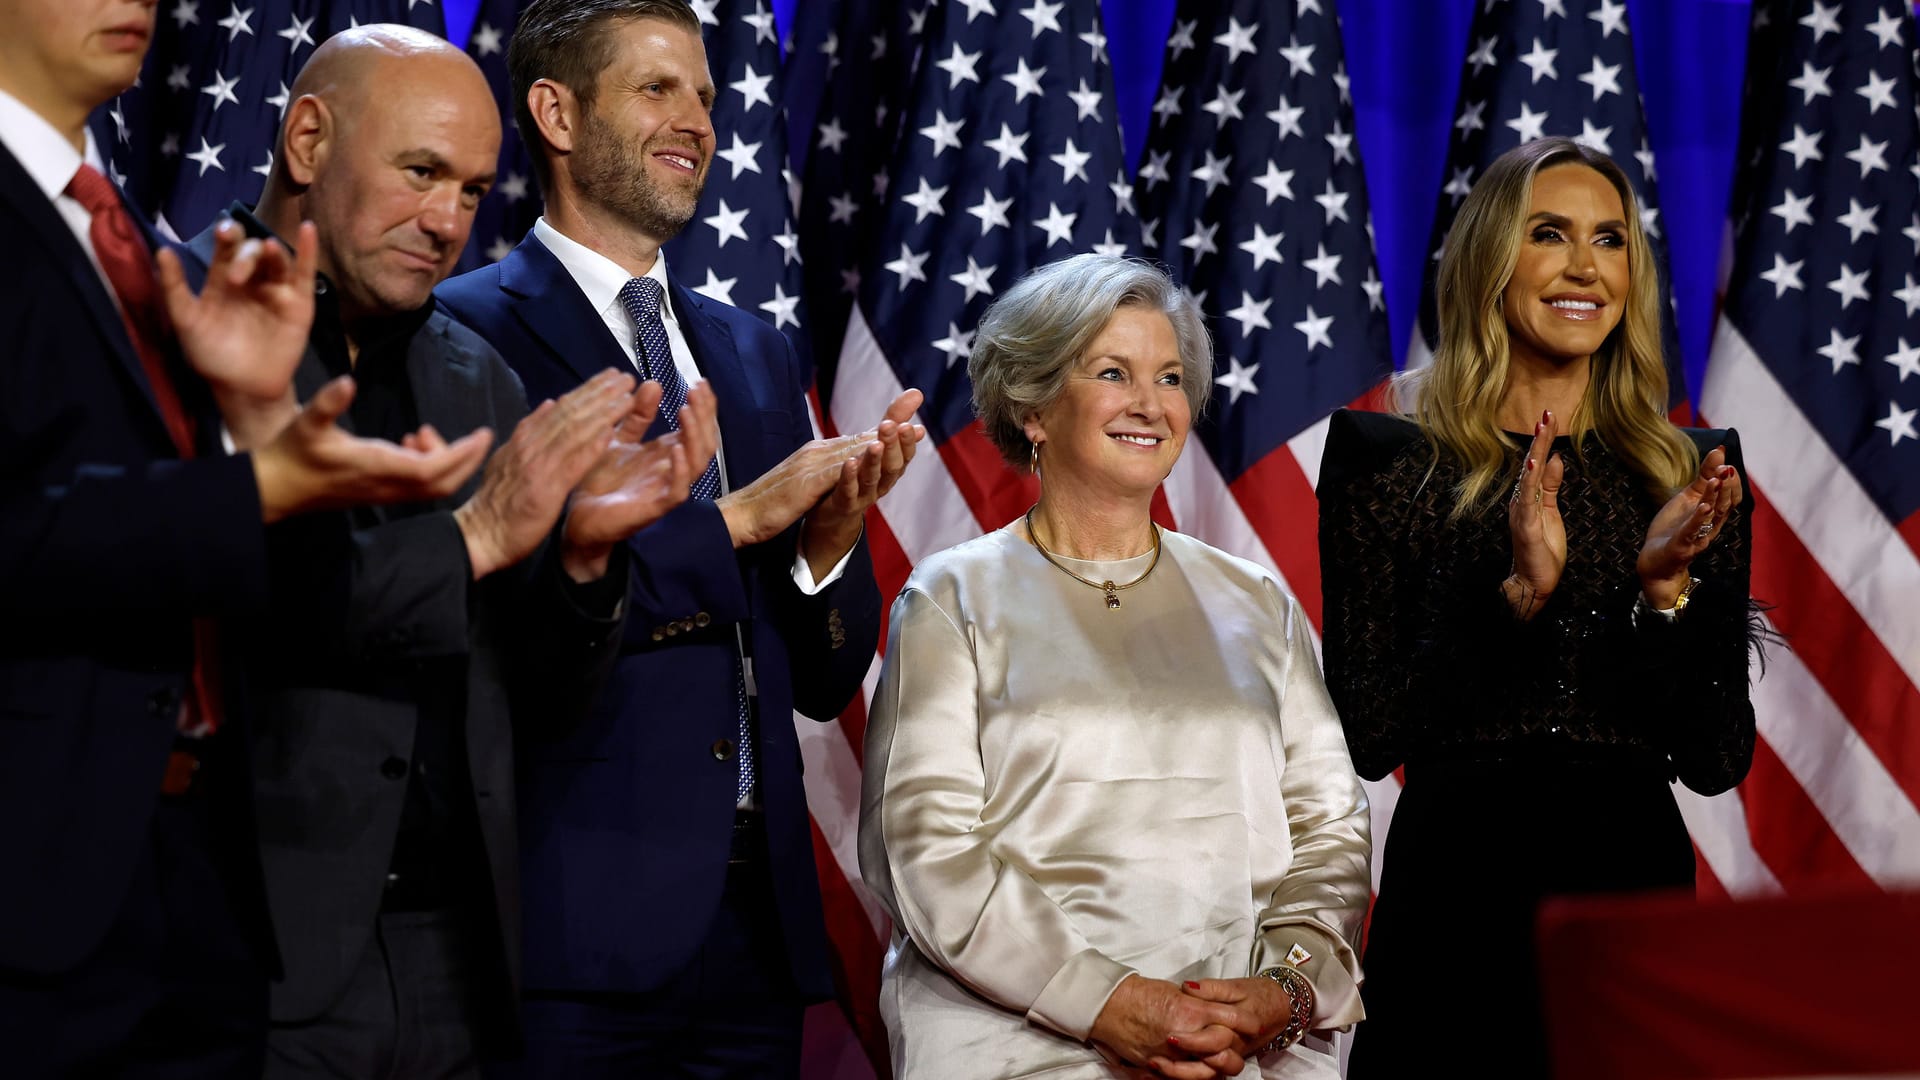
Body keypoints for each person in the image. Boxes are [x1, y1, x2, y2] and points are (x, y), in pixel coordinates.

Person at [177, 27, 718, 1078]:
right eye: (421, 173)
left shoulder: (476, 377)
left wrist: (582, 567)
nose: (446, 223)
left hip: (456, 962)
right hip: (237, 948)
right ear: (306, 138)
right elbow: (254, 613)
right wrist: (474, 537)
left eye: (471, 192)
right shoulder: (176, 329)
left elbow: (536, 703)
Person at [0, 1, 497, 1074]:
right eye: (421, 172)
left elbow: (257, 591)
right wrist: (256, 483)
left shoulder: (120, 236)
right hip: (38, 897)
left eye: (469, 190)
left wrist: (262, 429)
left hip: (188, 903)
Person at [435, 1, 924, 1073]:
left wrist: (828, 546)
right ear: (556, 114)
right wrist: (738, 522)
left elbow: (819, 678)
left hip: (754, 928)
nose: (699, 121)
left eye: (704, 95)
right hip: (570, 928)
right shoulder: (464, 331)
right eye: (658, 89)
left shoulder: (750, 350)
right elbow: (507, 600)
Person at [858, 254, 1372, 1080]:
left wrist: (1285, 988)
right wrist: (1108, 1001)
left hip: (1241, 1054)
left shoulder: (1254, 602)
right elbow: (925, 851)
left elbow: (1331, 830)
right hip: (1018, 1046)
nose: (1150, 403)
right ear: (1033, 406)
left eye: (1170, 377)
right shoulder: (951, 597)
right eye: (1112, 372)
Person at [1317, 138, 1759, 1077]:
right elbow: (1370, 732)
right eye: (1548, 234)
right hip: (1457, 896)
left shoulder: (1689, 469)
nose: (1585, 267)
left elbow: (1717, 760)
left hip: (1630, 898)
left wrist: (1665, 592)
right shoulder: (1388, 459)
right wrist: (1516, 594)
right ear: (1489, 259)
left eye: (1609, 240)